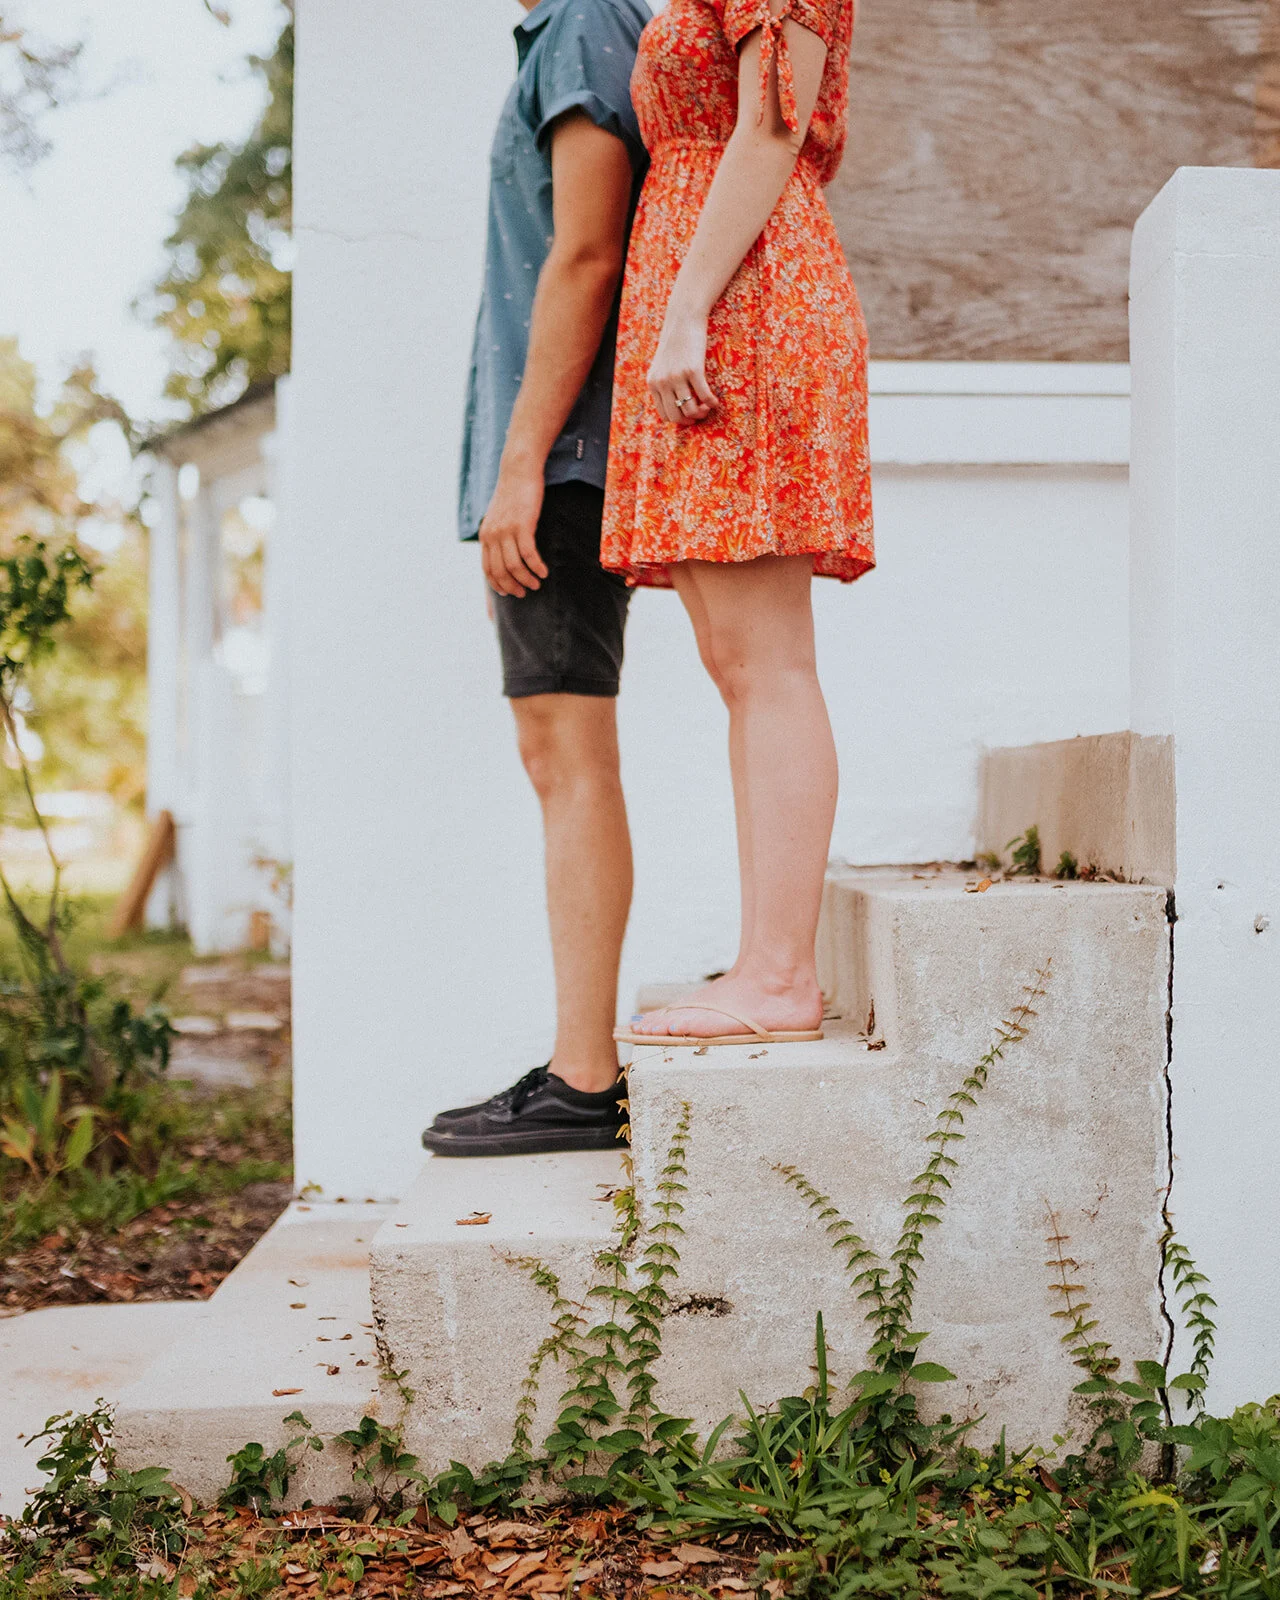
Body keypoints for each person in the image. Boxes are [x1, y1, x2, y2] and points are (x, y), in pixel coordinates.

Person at [605, 0, 875, 1047]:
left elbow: (772, 123)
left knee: (766, 660)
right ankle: (763, 956)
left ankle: (778, 972)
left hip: (742, 303)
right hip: (715, 294)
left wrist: (683, 310)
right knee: (736, 662)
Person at [421, 0, 650, 1157]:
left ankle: (583, 1073)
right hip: (549, 458)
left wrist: (521, 465)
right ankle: (580, 1064)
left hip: (558, 462)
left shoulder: (579, 23)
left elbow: (588, 247)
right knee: (553, 749)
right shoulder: (567, 31)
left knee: (567, 749)